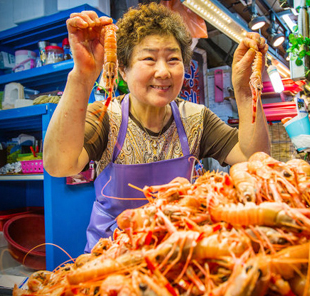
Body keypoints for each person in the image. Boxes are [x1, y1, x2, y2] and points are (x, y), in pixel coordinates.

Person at [43, 3, 271, 252]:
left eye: (173, 60)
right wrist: (82, 76)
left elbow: (254, 161)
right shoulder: (105, 117)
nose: (163, 72)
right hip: (111, 262)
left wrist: (246, 93)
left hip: (176, 259)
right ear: (123, 69)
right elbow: (58, 164)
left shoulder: (196, 119)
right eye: (149, 59)